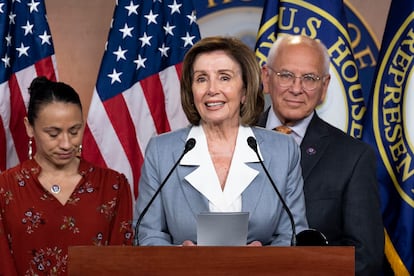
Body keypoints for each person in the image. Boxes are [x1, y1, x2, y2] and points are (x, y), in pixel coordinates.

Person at [135, 36, 308, 246]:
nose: (211, 89)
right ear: (191, 91)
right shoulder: (162, 152)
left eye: (224, 78)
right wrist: (178, 258)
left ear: (245, 90)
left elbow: (292, 234)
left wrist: (264, 260)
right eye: (201, 79)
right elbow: (147, 233)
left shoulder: (283, 151)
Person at [257, 34, 384, 275]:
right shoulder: (232, 140)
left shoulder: (353, 158)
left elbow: (365, 257)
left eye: (309, 79)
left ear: (324, 86)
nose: (296, 88)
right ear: (266, 77)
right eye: (286, 75)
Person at [0, 77, 134, 275]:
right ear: (29, 127)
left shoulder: (113, 186)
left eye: (74, 131)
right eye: (53, 134)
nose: (66, 144)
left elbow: (121, 264)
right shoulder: (4, 189)